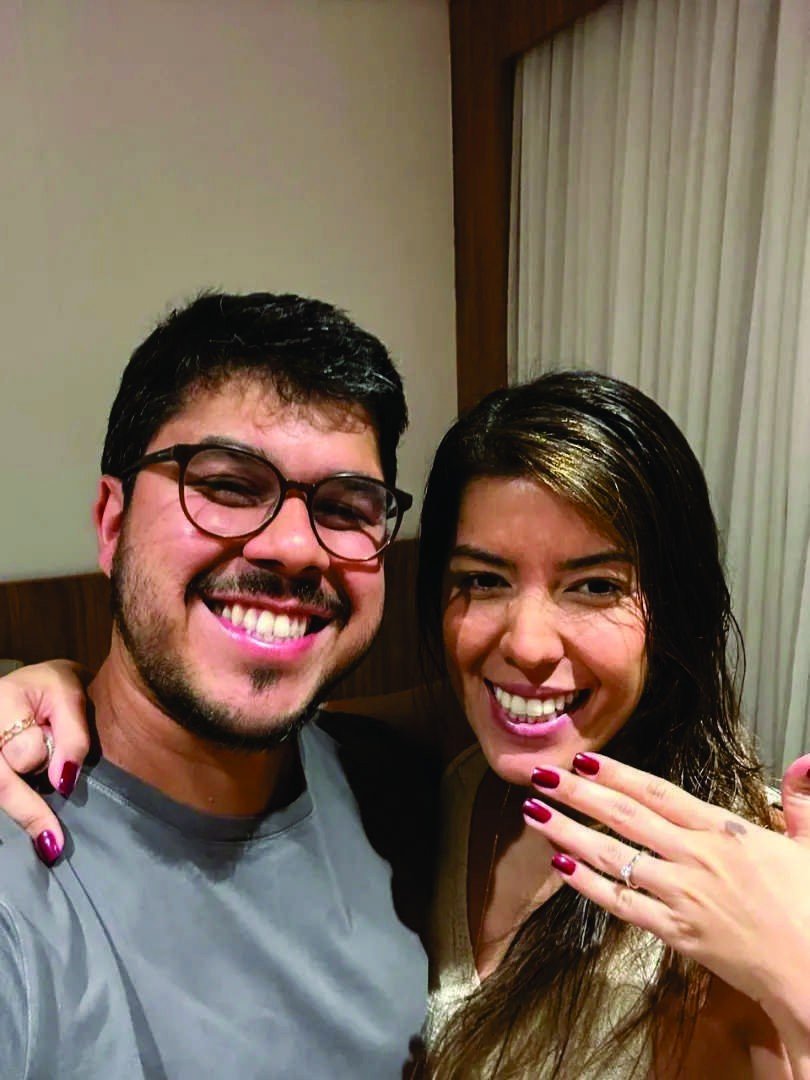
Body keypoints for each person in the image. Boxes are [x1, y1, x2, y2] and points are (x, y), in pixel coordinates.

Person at [4, 371, 810, 1076]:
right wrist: (57, 685)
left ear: (675, 610)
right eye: (483, 580)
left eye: (595, 586)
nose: (527, 645)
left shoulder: (744, 888)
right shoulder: (437, 780)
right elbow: (261, 717)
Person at [0, 291, 436, 1079]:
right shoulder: (17, 883)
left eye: (346, 508)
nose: (296, 548)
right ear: (111, 523)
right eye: (230, 486)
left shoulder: (401, 789)